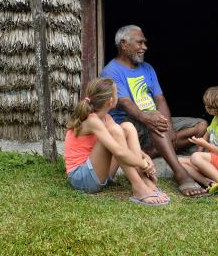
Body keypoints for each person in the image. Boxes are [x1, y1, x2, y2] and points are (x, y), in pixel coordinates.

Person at [101, 25, 209, 197]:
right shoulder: (111, 71)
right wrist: (150, 119)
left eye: (145, 42)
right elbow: (126, 104)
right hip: (131, 126)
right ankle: (180, 173)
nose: (145, 47)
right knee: (155, 120)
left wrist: (170, 129)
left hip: (154, 122)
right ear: (124, 44)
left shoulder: (147, 68)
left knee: (201, 125)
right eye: (140, 42)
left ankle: (153, 150)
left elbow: (160, 99)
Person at [64, 77, 170, 206]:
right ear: (111, 101)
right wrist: (144, 164)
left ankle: (142, 179)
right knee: (115, 131)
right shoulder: (92, 120)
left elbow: (121, 145)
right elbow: (119, 152)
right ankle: (138, 187)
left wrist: (144, 156)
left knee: (127, 127)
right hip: (82, 179)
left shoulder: (106, 118)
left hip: (99, 173)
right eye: (117, 92)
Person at [179, 86, 218, 201]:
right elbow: (207, 134)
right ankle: (209, 183)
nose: (205, 107)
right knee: (179, 161)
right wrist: (199, 154)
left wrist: (204, 146)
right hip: (217, 161)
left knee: (195, 157)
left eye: (207, 105)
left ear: (215, 110)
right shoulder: (216, 119)